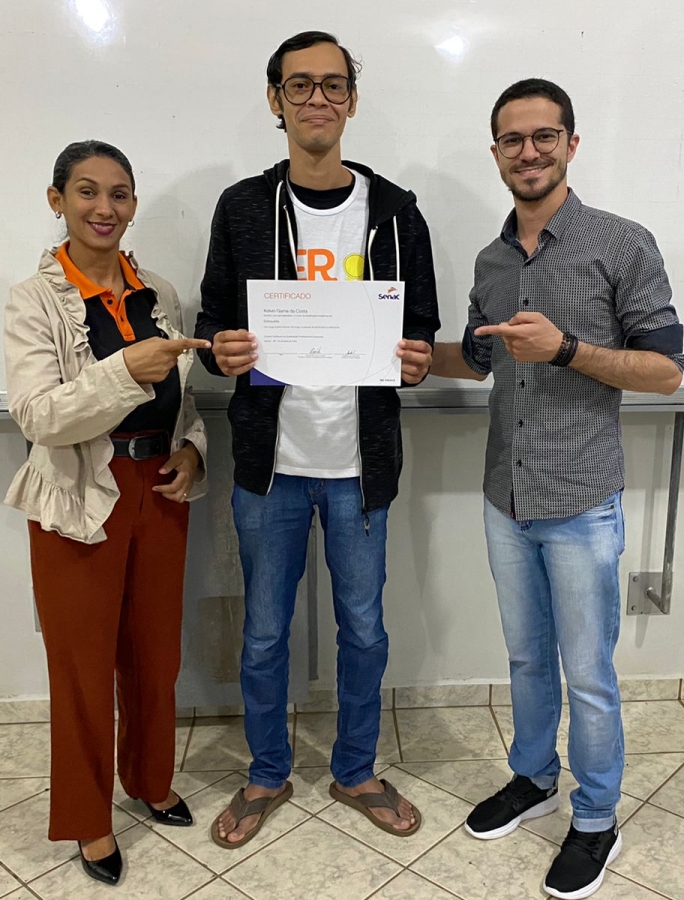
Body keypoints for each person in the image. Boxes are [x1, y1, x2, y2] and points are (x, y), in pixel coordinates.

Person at [430, 79, 684, 899]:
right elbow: (478, 359)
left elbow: (667, 371)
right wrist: (413, 359)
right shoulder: (492, 260)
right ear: (496, 152)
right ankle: (534, 778)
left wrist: (568, 348)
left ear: (571, 144)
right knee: (525, 657)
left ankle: (596, 817)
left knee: (589, 674)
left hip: (581, 500)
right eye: (513, 139)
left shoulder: (621, 243)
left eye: (545, 136)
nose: (529, 152)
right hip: (505, 496)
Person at [193, 31, 441, 848]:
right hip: (270, 466)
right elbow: (214, 322)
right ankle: (267, 772)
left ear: (352, 100)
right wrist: (224, 348)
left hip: (359, 467)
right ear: (276, 100)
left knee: (364, 631)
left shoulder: (396, 211)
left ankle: (355, 768)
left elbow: (419, 327)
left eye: (333, 85)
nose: (317, 100)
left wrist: (414, 359)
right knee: (264, 633)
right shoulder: (243, 207)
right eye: (300, 85)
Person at [3, 140, 211, 886]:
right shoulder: (34, 300)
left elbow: (183, 400)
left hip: (159, 489)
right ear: (56, 200)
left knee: (156, 656)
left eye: (119, 194)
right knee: (83, 667)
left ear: (132, 205)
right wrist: (124, 369)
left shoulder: (159, 293)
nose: (104, 207)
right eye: (87, 191)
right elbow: (38, 415)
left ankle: (149, 781)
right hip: (77, 495)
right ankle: (89, 818)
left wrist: (193, 452)